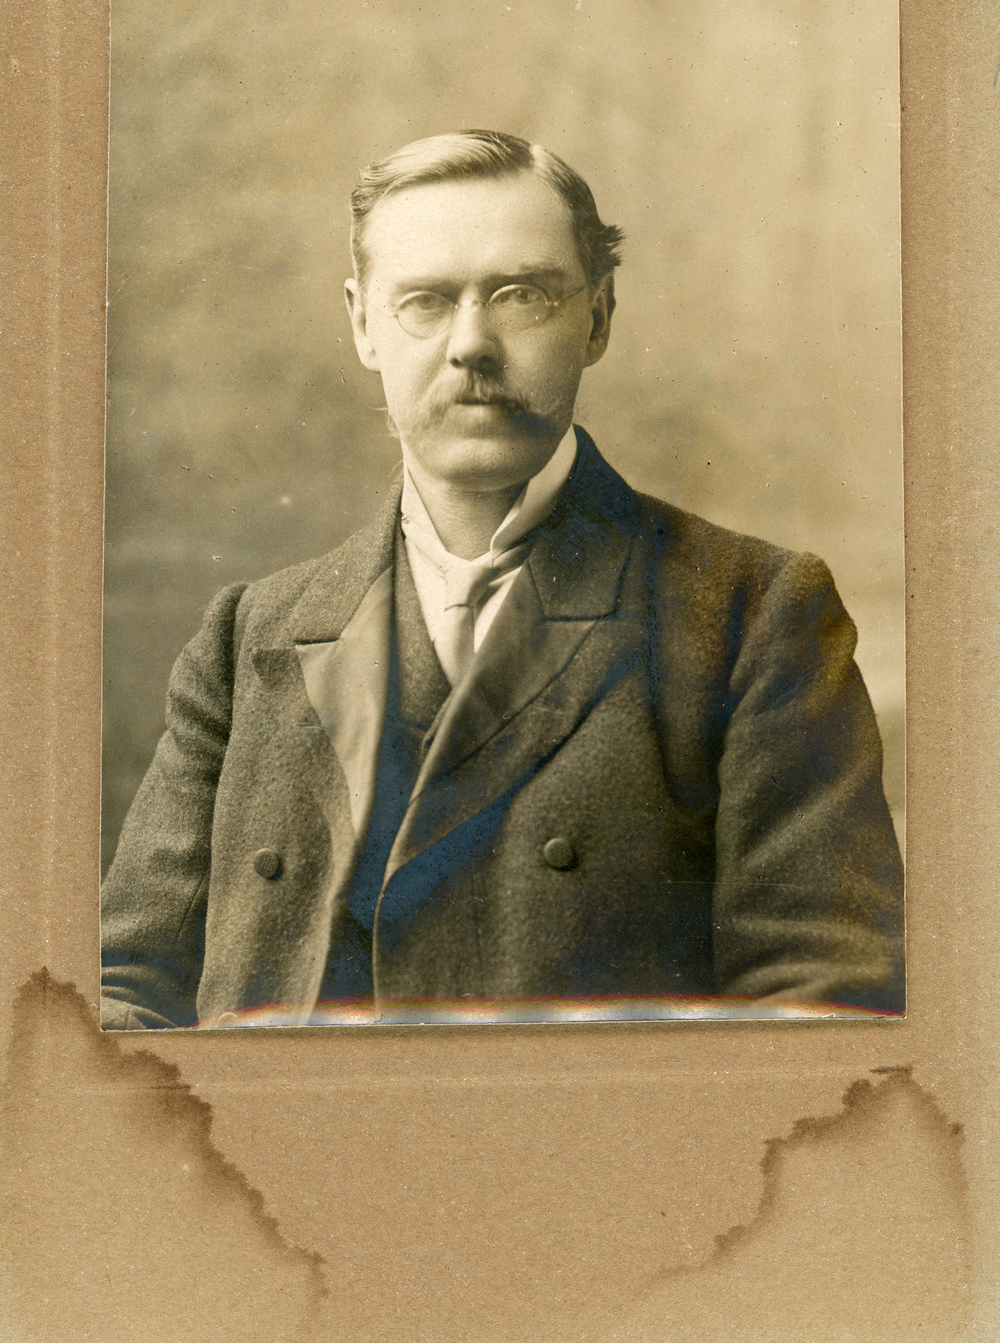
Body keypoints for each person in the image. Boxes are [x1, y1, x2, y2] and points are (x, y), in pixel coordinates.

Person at [100, 129, 904, 1029]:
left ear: (597, 318)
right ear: (363, 325)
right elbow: (122, 995)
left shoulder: (753, 616)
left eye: (522, 296)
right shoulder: (247, 637)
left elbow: (825, 1014)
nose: (471, 345)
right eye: (425, 302)